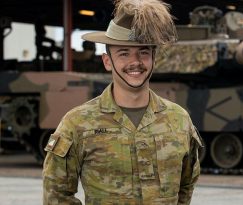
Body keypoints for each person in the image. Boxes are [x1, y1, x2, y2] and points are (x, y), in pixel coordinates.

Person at [42, 0, 203, 204]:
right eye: (124, 53)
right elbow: (56, 194)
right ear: (107, 61)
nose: (135, 62)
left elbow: (186, 185)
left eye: (143, 52)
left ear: (154, 58)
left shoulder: (179, 119)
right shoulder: (78, 122)